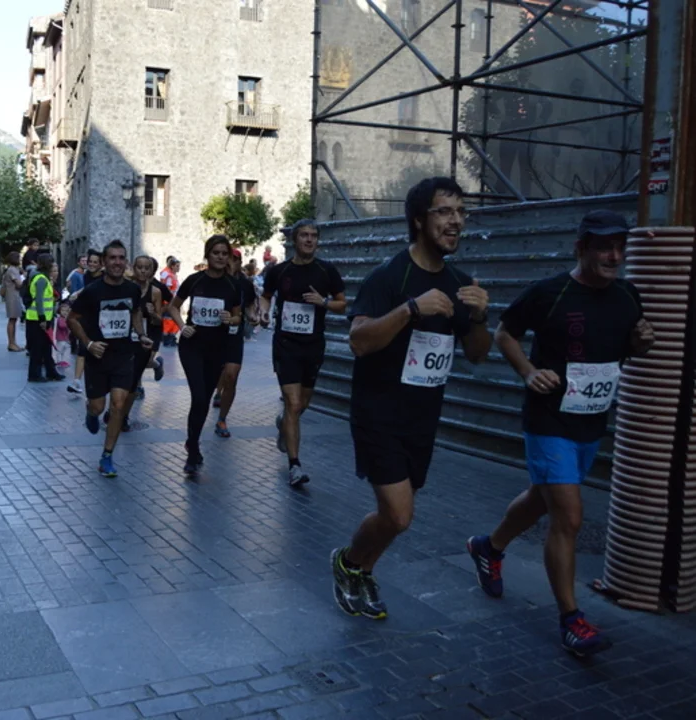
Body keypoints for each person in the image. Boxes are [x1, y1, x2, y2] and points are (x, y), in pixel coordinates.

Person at [468, 210, 654, 656]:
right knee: (568, 516)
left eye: (620, 247)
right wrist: (529, 372)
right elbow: (505, 334)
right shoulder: (550, 292)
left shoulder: (628, 295)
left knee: (542, 497)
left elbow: (628, 347)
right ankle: (572, 620)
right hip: (549, 419)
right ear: (581, 248)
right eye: (604, 248)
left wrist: (641, 343)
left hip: (591, 420)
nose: (614, 256)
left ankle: (489, 547)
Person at [330, 177, 492, 620]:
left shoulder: (460, 282)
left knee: (395, 515)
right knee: (400, 515)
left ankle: (362, 570)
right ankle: (346, 562)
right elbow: (359, 340)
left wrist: (480, 317)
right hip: (378, 413)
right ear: (419, 220)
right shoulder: (390, 276)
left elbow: (478, 354)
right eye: (445, 212)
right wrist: (411, 309)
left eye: (461, 212)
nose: (456, 221)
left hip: (422, 416)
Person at [259, 220, 347, 486]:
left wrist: (324, 302)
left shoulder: (326, 271)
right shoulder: (279, 270)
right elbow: (266, 296)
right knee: (294, 403)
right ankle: (295, 466)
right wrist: (264, 311)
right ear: (294, 240)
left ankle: (284, 423)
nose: (309, 240)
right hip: (285, 345)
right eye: (304, 236)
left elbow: (343, 305)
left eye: (313, 236)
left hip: (313, 346)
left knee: (301, 405)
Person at [67, 240, 151, 478]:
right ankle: (91, 412)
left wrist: (141, 334)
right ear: (104, 262)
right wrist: (89, 344)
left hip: (123, 355)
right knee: (98, 406)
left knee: (118, 405)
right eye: (112, 258)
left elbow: (135, 312)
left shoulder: (133, 289)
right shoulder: (92, 291)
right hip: (98, 356)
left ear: (126, 261)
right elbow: (72, 318)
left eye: (121, 258)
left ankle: (107, 456)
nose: (117, 262)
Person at [167, 236, 242, 474]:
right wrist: (182, 326)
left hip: (217, 349)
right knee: (199, 397)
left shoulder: (232, 284)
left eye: (224, 253)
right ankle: (192, 451)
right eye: (215, 253)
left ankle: (193, 442)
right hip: (192, 346)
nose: (220, 257)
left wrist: (231, 319)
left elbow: (238, 316)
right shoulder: (194, 280)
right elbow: (172, 306)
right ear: (207, 255)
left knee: (204, 400)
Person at [212, 248, 260, 439]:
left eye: (235, 259)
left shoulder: (245, 284)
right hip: (213, 334)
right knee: (217, 371)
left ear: (240, 262)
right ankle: (217, 392)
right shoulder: (213, 279)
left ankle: (222, 419)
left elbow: (249, 306)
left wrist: (253, 316)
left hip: (234, 334)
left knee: (231, 374)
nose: (231, 262)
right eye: (228, 258)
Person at [116, 255, 163, 432]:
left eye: (146, 268)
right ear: (134, 269)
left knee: (134, 382)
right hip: (124, 340)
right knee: (122, 379)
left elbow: (159, 321)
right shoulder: (126, 288)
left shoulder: (155, 292)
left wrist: (153, 314)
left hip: (144, 341)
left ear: (152, 271)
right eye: (139, 267)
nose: (143, 271)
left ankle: (124, 416)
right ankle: (115, 410)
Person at [68, 249, 105, 395]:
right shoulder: (86, 275)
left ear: (101, 264)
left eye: (95, 262)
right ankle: (76, 381)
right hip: (86, 316)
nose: (92, 264)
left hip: (101, 319)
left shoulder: (104, 277)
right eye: (90, 262)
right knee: (83, 348)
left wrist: (78, 293)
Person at [25, 255, 66, 383]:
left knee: (46, 347)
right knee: (38, 348)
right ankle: (34, 375)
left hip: (42, 317)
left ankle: (51, 372)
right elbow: (39, 300)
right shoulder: (41, 279)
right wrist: (42, 318)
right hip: (37, 318)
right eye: (51, 264)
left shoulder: (42, 278)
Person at [2, 251, 25, 352]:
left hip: (13, 296)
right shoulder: (12, 270)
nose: (20, 260)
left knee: (14, 320)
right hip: (12, 297)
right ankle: (11, 343)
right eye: (19, 258)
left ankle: (13, 342)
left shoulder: (13, 269)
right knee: (12, 320)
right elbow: (18, 284)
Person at [159, 256, 181, 346]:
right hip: (170, 302)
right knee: (170, 320)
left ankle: (170, 338)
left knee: (171, 320)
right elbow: (168, 290)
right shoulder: (169, 275)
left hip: (172, 301)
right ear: (172, 266)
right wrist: (170, 301)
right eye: (177, 266)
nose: (179, 268)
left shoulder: (171, 275)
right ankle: (167, 338)